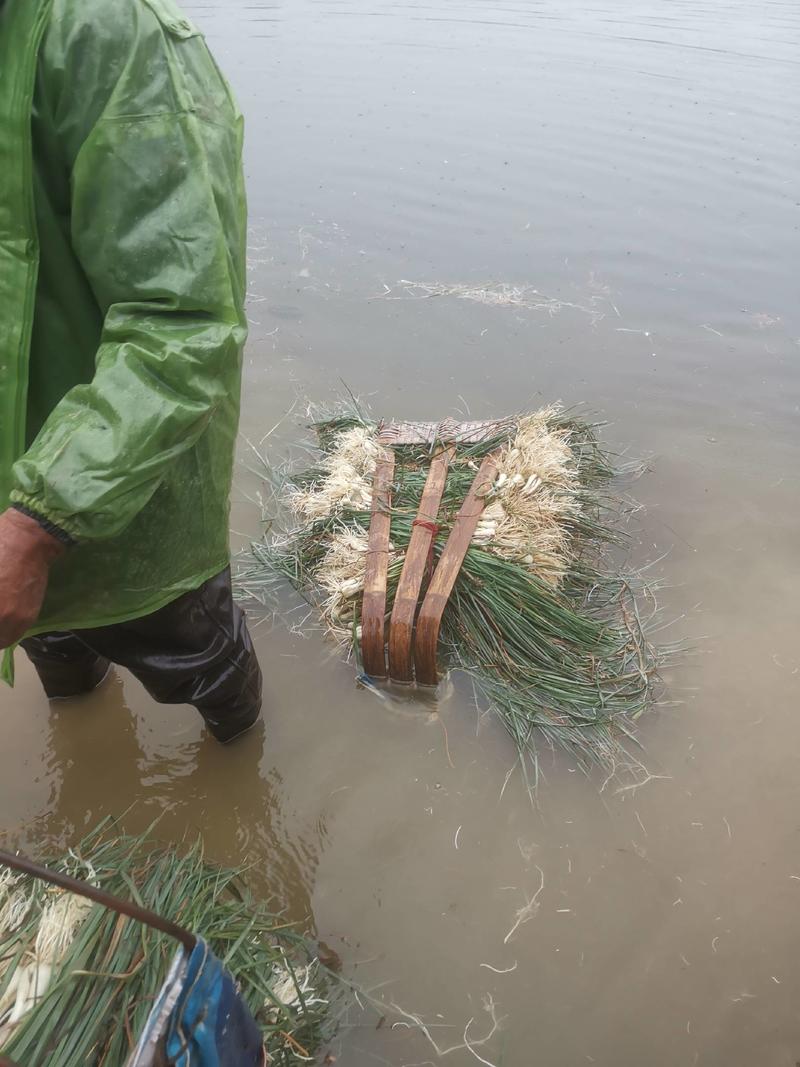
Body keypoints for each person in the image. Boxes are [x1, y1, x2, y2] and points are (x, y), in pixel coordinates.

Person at [0, 0, 262, 742]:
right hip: (12, 484)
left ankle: (241, 750)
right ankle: (82, 742)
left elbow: (182, 322)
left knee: (206, 669)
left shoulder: (107, 32)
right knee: (60, 668)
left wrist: (38, 521)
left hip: (124, 485)